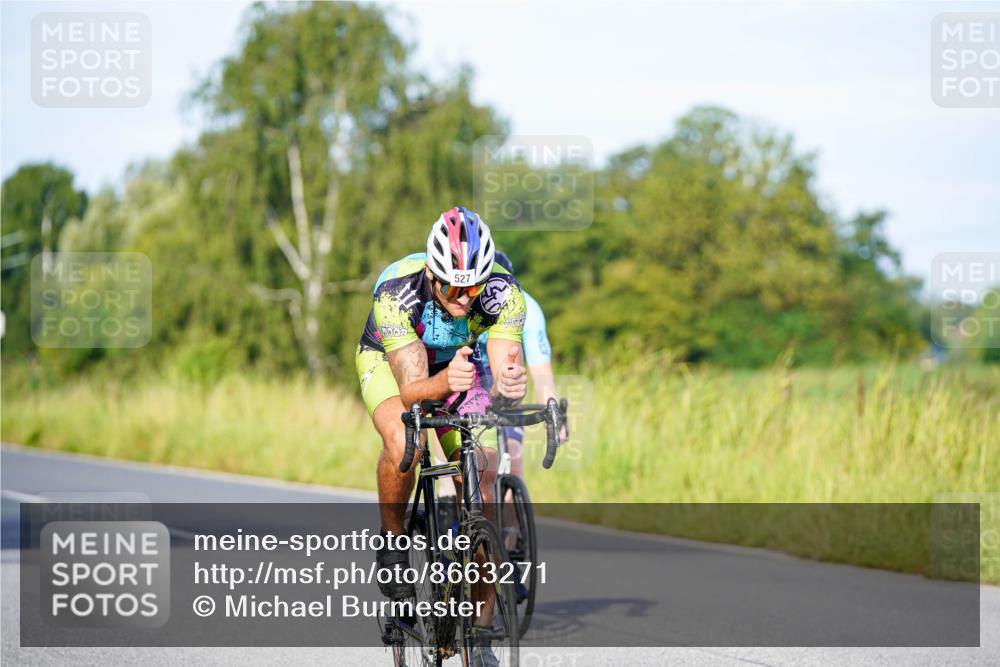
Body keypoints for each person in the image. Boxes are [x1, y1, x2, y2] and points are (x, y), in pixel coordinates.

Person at [355, 207, 528, 605]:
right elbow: (413, 391)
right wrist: (445, 382)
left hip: (458, 365)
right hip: (391, 361)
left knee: (482, 468)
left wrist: (509, 383)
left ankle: (478, 624)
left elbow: (504, 368)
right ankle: (392, 542)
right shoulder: (397, 291)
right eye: (453, 289)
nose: (466, 299)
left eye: (474, 288)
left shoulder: (504, 294)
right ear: (433, 275)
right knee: (405, 444)